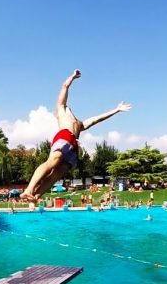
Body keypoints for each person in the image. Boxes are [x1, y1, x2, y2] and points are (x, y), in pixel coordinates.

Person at [21, 69, 131, 202]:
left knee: (57, 173)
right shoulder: (61, 110)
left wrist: (116, 110)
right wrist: (72, 77)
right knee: (54, 160)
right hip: (64, 136)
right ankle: (29, 189)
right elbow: (64, 87)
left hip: (74, 145)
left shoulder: (80, 124)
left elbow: (97, 119)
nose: (69, 107)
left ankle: (37, 195)